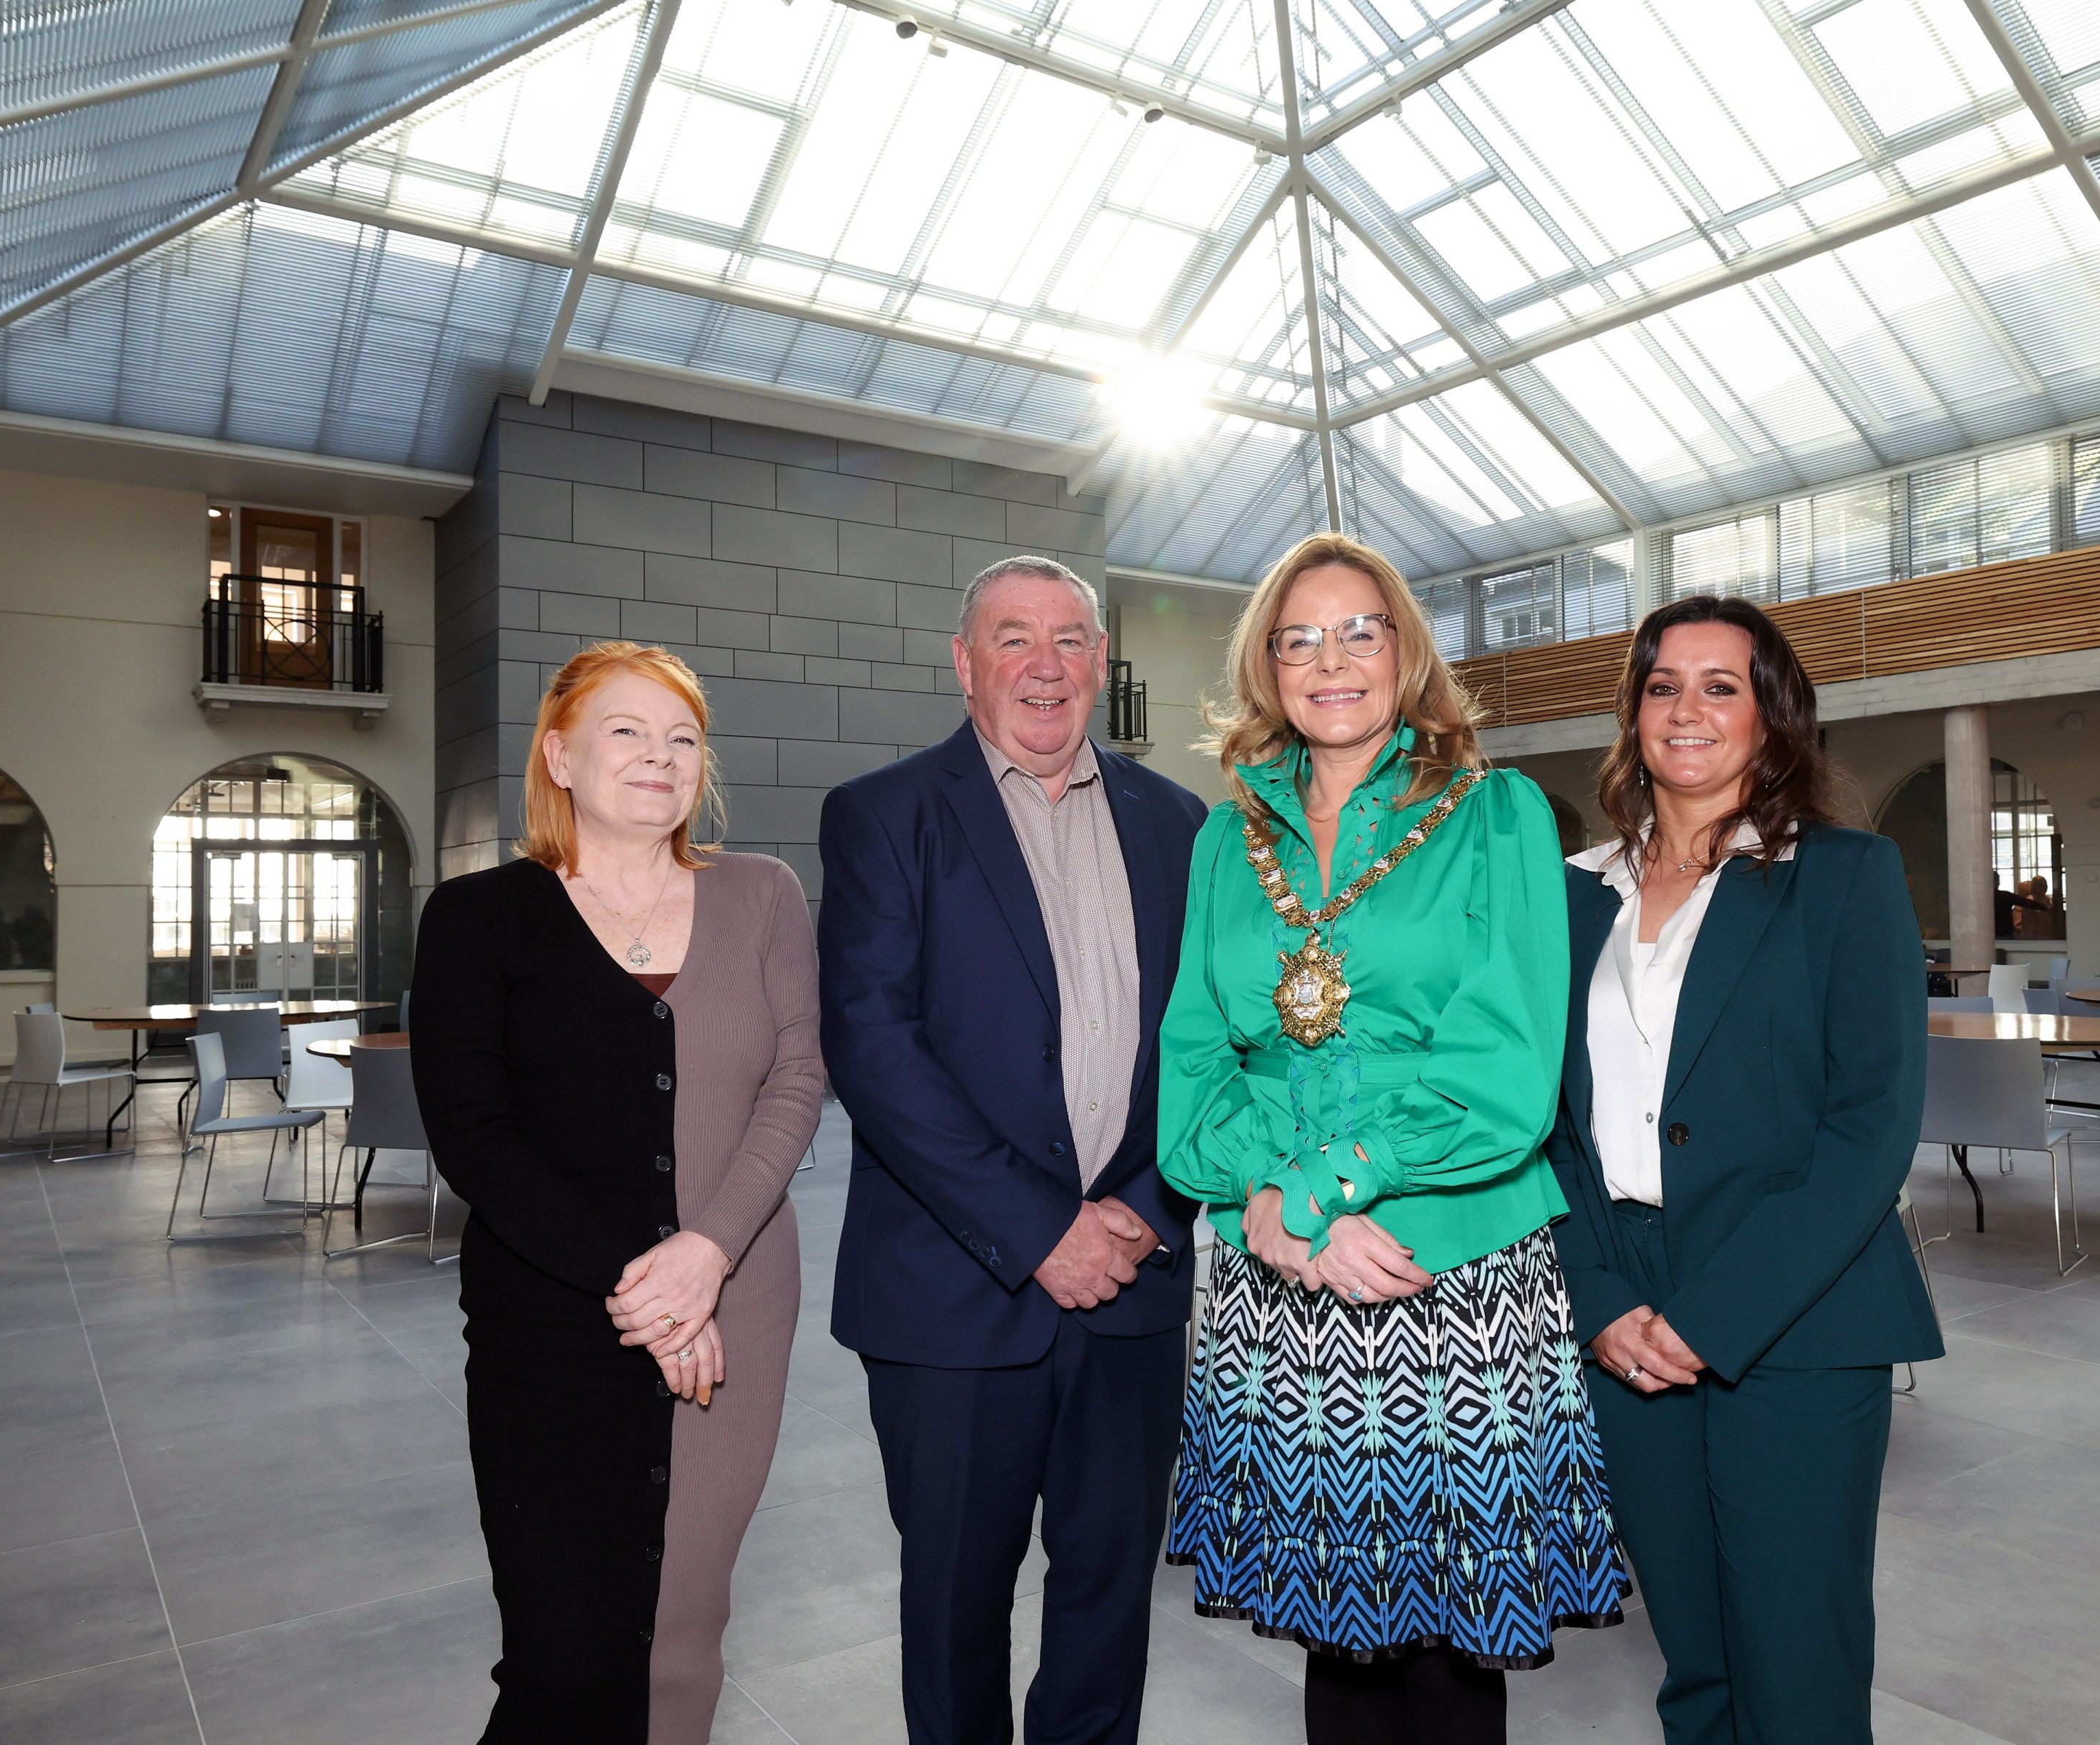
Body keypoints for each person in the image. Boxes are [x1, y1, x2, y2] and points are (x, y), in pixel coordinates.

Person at [1160, 533, 1629, 1745]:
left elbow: (1506, 1075)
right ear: (1267, 666)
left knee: (1451, 1654)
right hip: (1283, 1281)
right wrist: (1267, 1206)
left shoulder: (1496, 813)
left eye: (1360, 630)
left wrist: (1312, 1195)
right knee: (1338, 1638)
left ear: (1408, 651)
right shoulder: (1229, 838)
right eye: (1298, 638)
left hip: (1448, 1268)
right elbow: (1199, 1065)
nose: (1331, 660)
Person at [817, 556, 1208, 1745]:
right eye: (1014, 638)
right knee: (955, 1604)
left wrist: (1141, 1209)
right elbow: (874, 1048)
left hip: (1131, 1294)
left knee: (1107, 1600)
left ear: (1101, 662)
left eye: (1071, 640)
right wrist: (1041, 1233)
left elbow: (1208, 1041)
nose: (1046, 664)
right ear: (964, 662)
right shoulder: (885, 815)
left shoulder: (1178, 823)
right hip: (954, 1302)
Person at [412, 642, 826, 1745]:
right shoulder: (476, 916)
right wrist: (641, 1289)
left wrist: (708, 1257)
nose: (661, 756)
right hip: (551, 1326)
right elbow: (474, 1137)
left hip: (739, 1307)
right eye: (627, 732)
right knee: (562, 1656)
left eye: (683, 738)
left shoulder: (764, 895)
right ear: (558, 754)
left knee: (685, 1633)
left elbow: (796, 1080)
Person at [1546, 595, 1941, 1745]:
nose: (1688, 708)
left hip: (1795, 1310)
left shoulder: (1845, 878)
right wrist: (1604, 1299)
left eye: (1722, 686)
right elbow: (1548, 1127)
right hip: (1625, 1299)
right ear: (1632, 713)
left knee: (1796, 1664)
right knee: (1697, 1663)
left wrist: (1714, 1316)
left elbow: (1871, 1130)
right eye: (1664, 684)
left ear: (1771, 719)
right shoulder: (1578, 892)